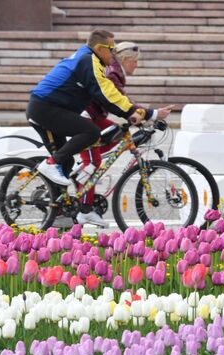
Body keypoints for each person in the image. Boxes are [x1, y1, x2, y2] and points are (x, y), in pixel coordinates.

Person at [76, 42, 172, 227]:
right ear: (126, 59)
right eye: (135, 61)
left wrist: (143, 114)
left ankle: (81, 173)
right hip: (85, 117)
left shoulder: (115, 71)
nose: (136, 65)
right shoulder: (113, 73)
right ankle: (85, 209)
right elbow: (120, 101)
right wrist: (149, 114)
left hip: (94, 116)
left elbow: (122, 102)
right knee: (93, 162)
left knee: (117, 136)